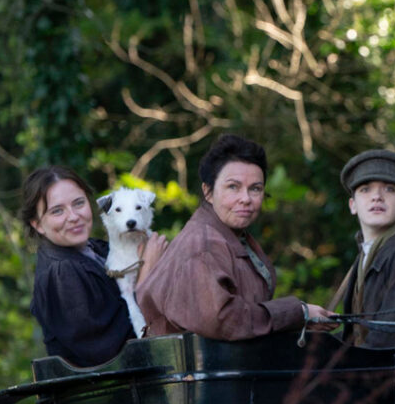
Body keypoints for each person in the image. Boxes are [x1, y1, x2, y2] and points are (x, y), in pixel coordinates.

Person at [136, 134, 335, 340]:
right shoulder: (202, 245)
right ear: (208, 192)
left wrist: (301, 320)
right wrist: (298, 312)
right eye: (233, 187)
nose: (246, 199)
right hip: (190, 361)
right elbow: (223, 321)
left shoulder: (233, 236)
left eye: (255, 189)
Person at [22, 167, 165, 365]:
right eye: (57, 211)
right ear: (37, 224)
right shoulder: (61, 273)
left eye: (78, 203)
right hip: (115, 383)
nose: (73, 216)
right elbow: (107, 352)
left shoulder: (98, 250)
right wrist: (146, 273)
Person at [328, 149, 395, 348]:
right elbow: (353, 335)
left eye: (389, 189)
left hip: (388, 366)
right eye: (365, 189)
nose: (377, 197)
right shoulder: (367, 252)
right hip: (366, 362)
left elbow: (388, 338)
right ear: (352, 205)